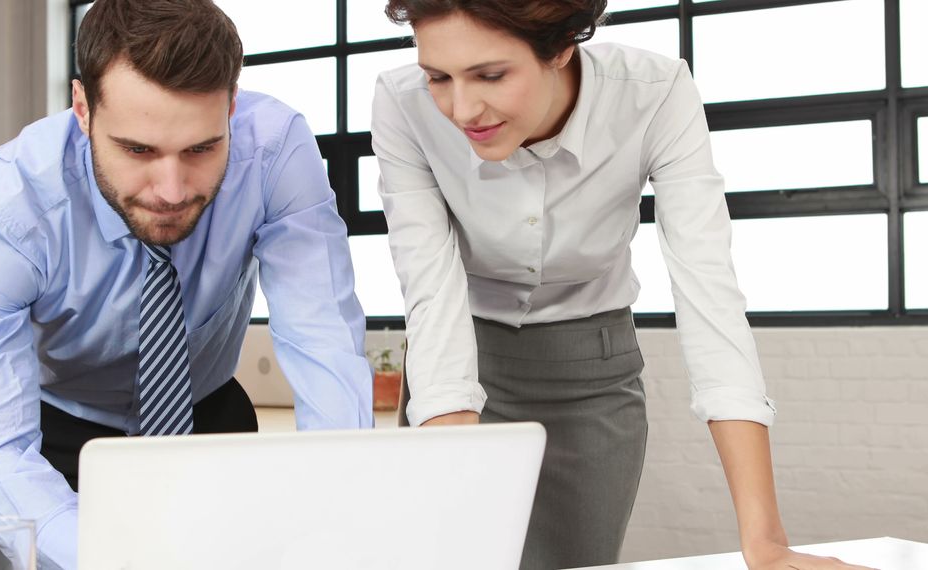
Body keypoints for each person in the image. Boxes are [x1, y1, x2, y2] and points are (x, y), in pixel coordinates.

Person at [370, 2, 876, 570]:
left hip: (593, 375)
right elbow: (431, 292)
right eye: (438, 76)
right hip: (458, 357)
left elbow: (709, 294)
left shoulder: (654, 93)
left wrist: (766, 542)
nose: (461, 109)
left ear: (562, 48)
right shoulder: (401, 103)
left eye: (490, 75)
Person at [0, 1, 371, 567]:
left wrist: (342, 514)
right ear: (83, 110)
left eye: (201, 149)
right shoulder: (0, 214)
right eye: (138, 150)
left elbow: (324, 342)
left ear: (231, 108)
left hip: (207, 414)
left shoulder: (273, 150)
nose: (170, 189)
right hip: (58, 438)